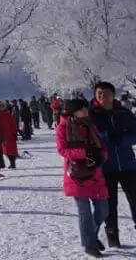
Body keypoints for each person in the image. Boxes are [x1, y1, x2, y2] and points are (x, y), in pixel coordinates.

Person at [58, 98, 110, 257]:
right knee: (84, 211)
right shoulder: (63, 127)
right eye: (82, 109)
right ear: (73, 111)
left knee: (103, 210)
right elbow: (62, 150)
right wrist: (84, 153)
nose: (86, 111)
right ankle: (89, 244)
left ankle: (91, 236)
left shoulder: (90, 124)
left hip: (94, 172)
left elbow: (101, 144)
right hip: (76, 174)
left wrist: (102, 155)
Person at [91, 81, 136, 249]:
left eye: (106, 93)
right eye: (99, 93)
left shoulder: (124, 113)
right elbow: (88, 136)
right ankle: (112, 236)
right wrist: (105, 137)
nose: (102, 96)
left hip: (128, 165)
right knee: (109, 204)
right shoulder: (91, 115)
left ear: (113, 94)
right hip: (105, 167)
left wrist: (122, 139)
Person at [0, 101, 20, 168]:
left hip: (10, 135)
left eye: (2, 106)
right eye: (0, 106)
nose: (1, 108)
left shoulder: (8, 115)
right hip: (1, 135)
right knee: (4, 150)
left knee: (11, 150)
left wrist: (15, 133)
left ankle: (12, 163)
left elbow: (13, 125)